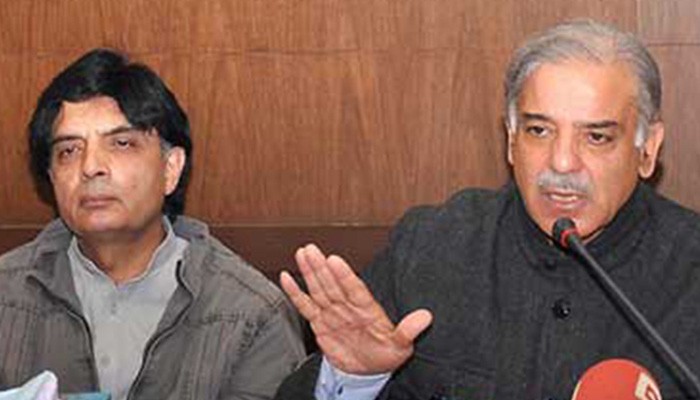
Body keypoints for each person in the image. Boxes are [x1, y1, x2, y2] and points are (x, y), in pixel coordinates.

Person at [274, 19, 700, 399]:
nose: (562, 162)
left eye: (596, 137)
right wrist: (356, 379)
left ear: (648, 149)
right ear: (511, 140)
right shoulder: (430, 246)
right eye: (539, 130)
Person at [0, 49, 305, 400]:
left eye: (121, 143)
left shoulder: (252, 313)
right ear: (52, 177)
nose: (91, 167)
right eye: (69, 150)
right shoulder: (6, 295)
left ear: (170, 168)